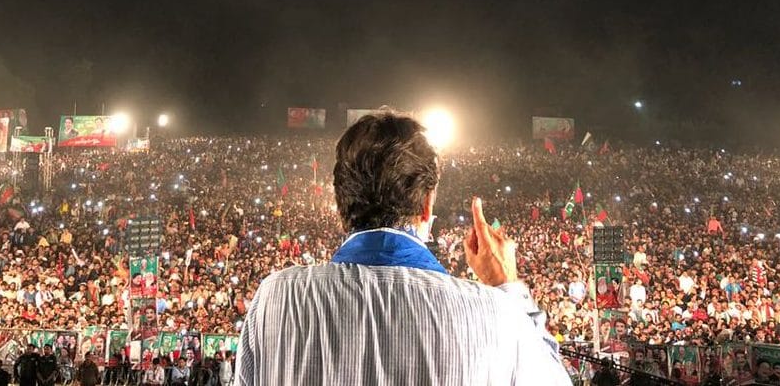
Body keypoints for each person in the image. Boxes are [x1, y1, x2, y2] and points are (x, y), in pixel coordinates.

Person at [235, 111, 570, 385]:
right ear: (426, 206)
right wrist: (507, 287)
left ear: (341, 208)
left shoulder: (275, 298)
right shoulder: (496, 313)